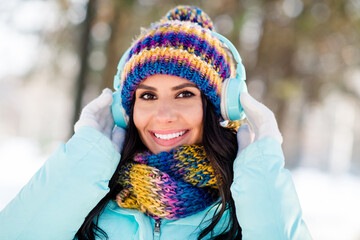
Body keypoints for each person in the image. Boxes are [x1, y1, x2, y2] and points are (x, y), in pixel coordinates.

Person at [0, 5, 312, 240]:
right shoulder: (88, 198)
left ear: (220, 107)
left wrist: (260, 171)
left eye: (184, 94)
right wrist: (84, 158)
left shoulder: (246, 208)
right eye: (147, 96)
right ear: (127, 110)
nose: (163, 114)